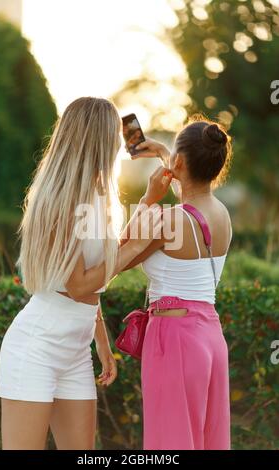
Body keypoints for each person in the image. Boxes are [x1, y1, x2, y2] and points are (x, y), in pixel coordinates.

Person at [0, 97, 166, 450]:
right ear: (96, 141)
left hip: (75, 352)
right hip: (36, 348)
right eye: (113, 139)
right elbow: (78, 286)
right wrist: (135, 247)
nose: (120, 146)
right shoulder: (63, 201)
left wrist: (101, 343)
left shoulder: (99, 198)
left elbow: (101, 270)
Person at [122, 114, 233, 450]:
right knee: (206, 440)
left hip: (174, 341)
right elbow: (191, 194)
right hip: (210, 338)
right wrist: (163, 153)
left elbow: (120, 252)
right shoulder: (222, 214)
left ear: (179, 163)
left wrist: (147, 200)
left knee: (169, 445)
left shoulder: (167, 220)